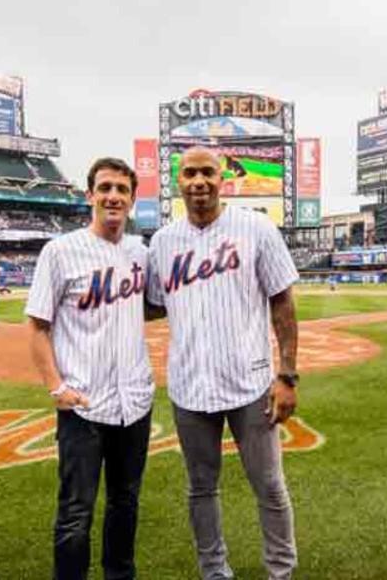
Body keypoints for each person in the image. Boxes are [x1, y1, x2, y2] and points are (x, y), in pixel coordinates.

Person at [146, 147, 300, 580]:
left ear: (222, 179)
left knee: (269, 485)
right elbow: (155, 306)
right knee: (200, 489)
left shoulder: (256, 228)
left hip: (250, 382)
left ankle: (281, 572)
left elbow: (283, 302)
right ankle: (214, 572)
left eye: (207, 173)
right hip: (189, 386)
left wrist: (286, 375)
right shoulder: (162, 242)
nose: (199, 181)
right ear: (178, 181)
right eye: (190, 173)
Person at [26, 157, 153, 580]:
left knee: (125, 503)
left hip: (134, 403)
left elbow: (150, 305)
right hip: (83, 404)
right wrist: (55, 388)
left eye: (122, 189)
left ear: (132, 200)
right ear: (91, 195)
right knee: (75, 513)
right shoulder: (60, 251)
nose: (113, 196)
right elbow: (38, 326)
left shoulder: (140, 252)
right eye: (105, 188)